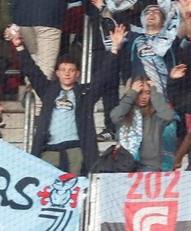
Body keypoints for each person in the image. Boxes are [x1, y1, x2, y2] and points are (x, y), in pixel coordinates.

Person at [13, 19, 124, 175]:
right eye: (63, 70)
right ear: (57, 73)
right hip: (49, 150)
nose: (67, 73)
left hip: (76, 149)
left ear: (77, 74)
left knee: (76, 185)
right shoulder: (47, 90)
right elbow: (32, 71)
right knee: (48, 186)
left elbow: (103, 75)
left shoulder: (86, 93)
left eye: (71, 70)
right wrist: (19, 46)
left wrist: (114, 48)